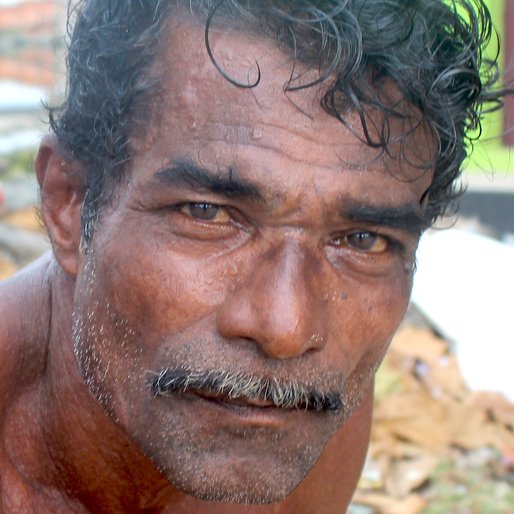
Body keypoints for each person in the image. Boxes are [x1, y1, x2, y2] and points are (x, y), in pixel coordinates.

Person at [0, 1, 509, 512]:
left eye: (362, 240)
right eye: (208, 213)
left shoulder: (290, 402)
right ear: (67, 202)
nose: (287, 329)